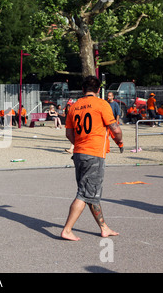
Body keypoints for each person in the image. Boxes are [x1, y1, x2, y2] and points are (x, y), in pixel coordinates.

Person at [61, 76, 123, 241]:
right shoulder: (102, 104)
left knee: (90, 192)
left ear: (82, 90)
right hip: (94, 153)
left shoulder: (74, 107)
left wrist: (80, 143)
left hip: (79, 153)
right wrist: (120, 142)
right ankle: (67, 229)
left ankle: (103, 227)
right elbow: (115, 129)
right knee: (84, 193)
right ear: (98, 90)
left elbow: (68, 133)